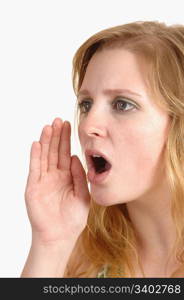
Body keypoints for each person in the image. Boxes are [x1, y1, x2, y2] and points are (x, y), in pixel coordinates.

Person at [21, 20, 184, 278]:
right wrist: (50, 245)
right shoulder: (82, 259)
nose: (87, 126)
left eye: (122, 104)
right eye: (86, 104)